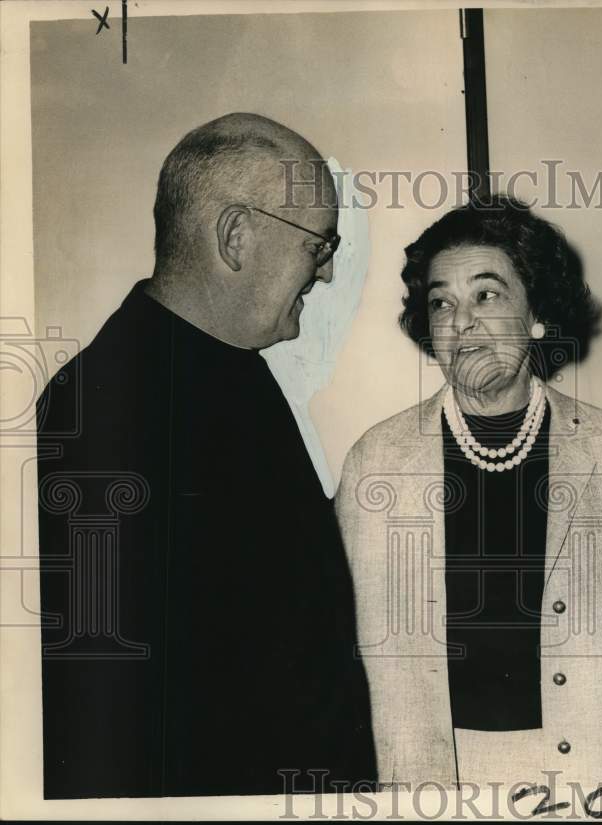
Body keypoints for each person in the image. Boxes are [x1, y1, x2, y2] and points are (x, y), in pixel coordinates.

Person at [35, 112, 376, 798]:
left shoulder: (227, 364)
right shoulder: (103, 406)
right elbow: (105, 704)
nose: (329, 268)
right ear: (235, 236)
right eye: (319, 243)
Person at [336, 195, 602, 787]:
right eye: (442, 303)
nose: (462, 323)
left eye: (486, 295)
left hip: (591, 774)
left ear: (535, 311)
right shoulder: (376, 463)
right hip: (426, 778)